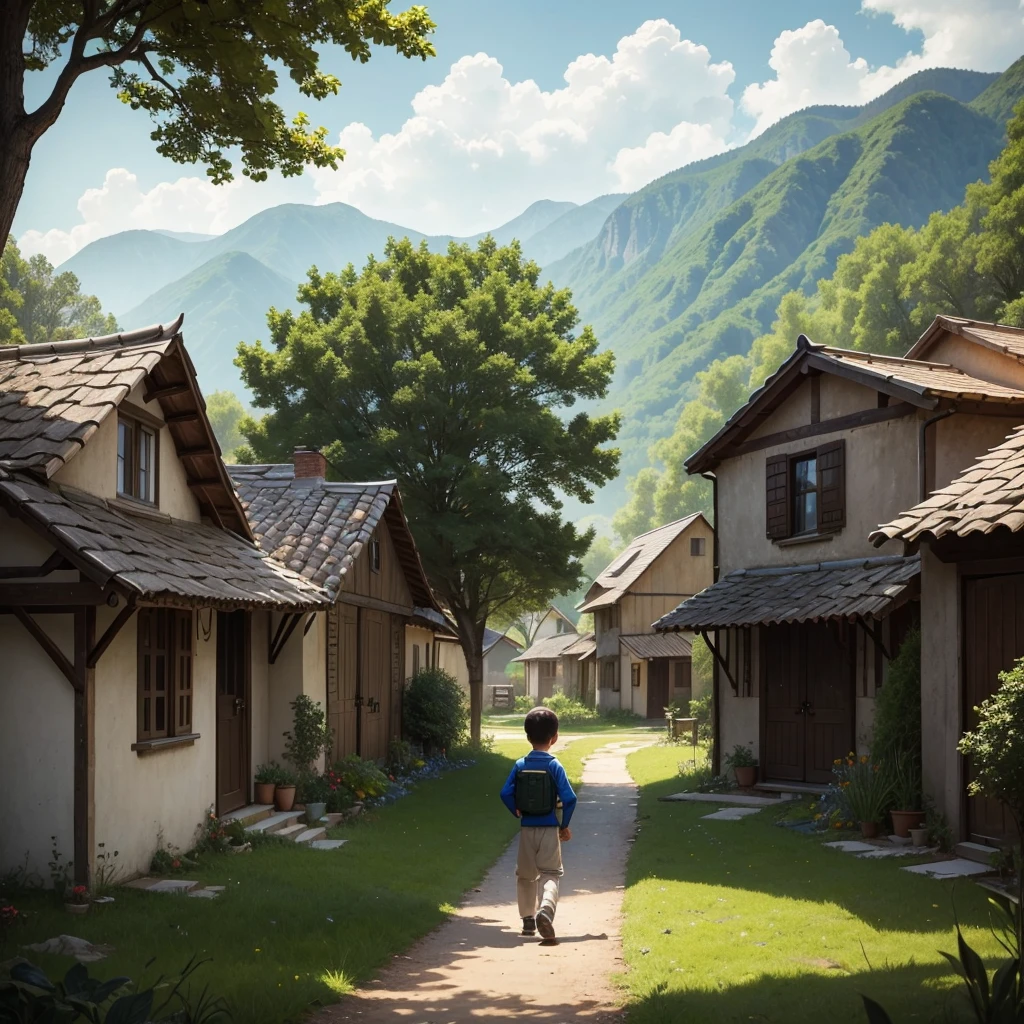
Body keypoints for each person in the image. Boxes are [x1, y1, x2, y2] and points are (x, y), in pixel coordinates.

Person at [499, 706, 577, 941]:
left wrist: (517, 811)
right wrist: (564, 825)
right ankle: (546, 909)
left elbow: (505, 793)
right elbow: (569, 798)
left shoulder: (520, 764)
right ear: (554, 738)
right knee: (550, 873)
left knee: (525, 875)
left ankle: (527, 921)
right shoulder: (554, 765)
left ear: (527, 736)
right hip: (549, 827)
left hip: (527, 829)